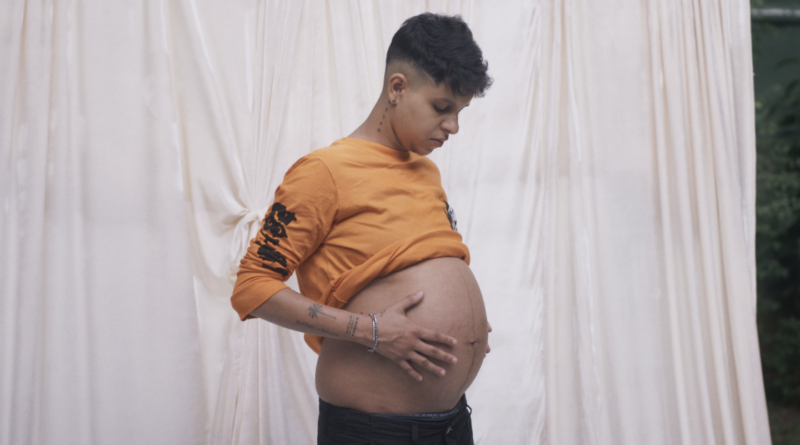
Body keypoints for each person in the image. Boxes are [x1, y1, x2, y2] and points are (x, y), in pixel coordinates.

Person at [231, 12, 492, 445]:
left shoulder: (426, 172)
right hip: (375, 431)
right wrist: (371, 330)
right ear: (397, 87)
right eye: (442, 108)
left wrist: (467, 331)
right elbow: (251, 288)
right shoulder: (323, 172)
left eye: (460, 112)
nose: (453, 127)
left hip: (451, 424)